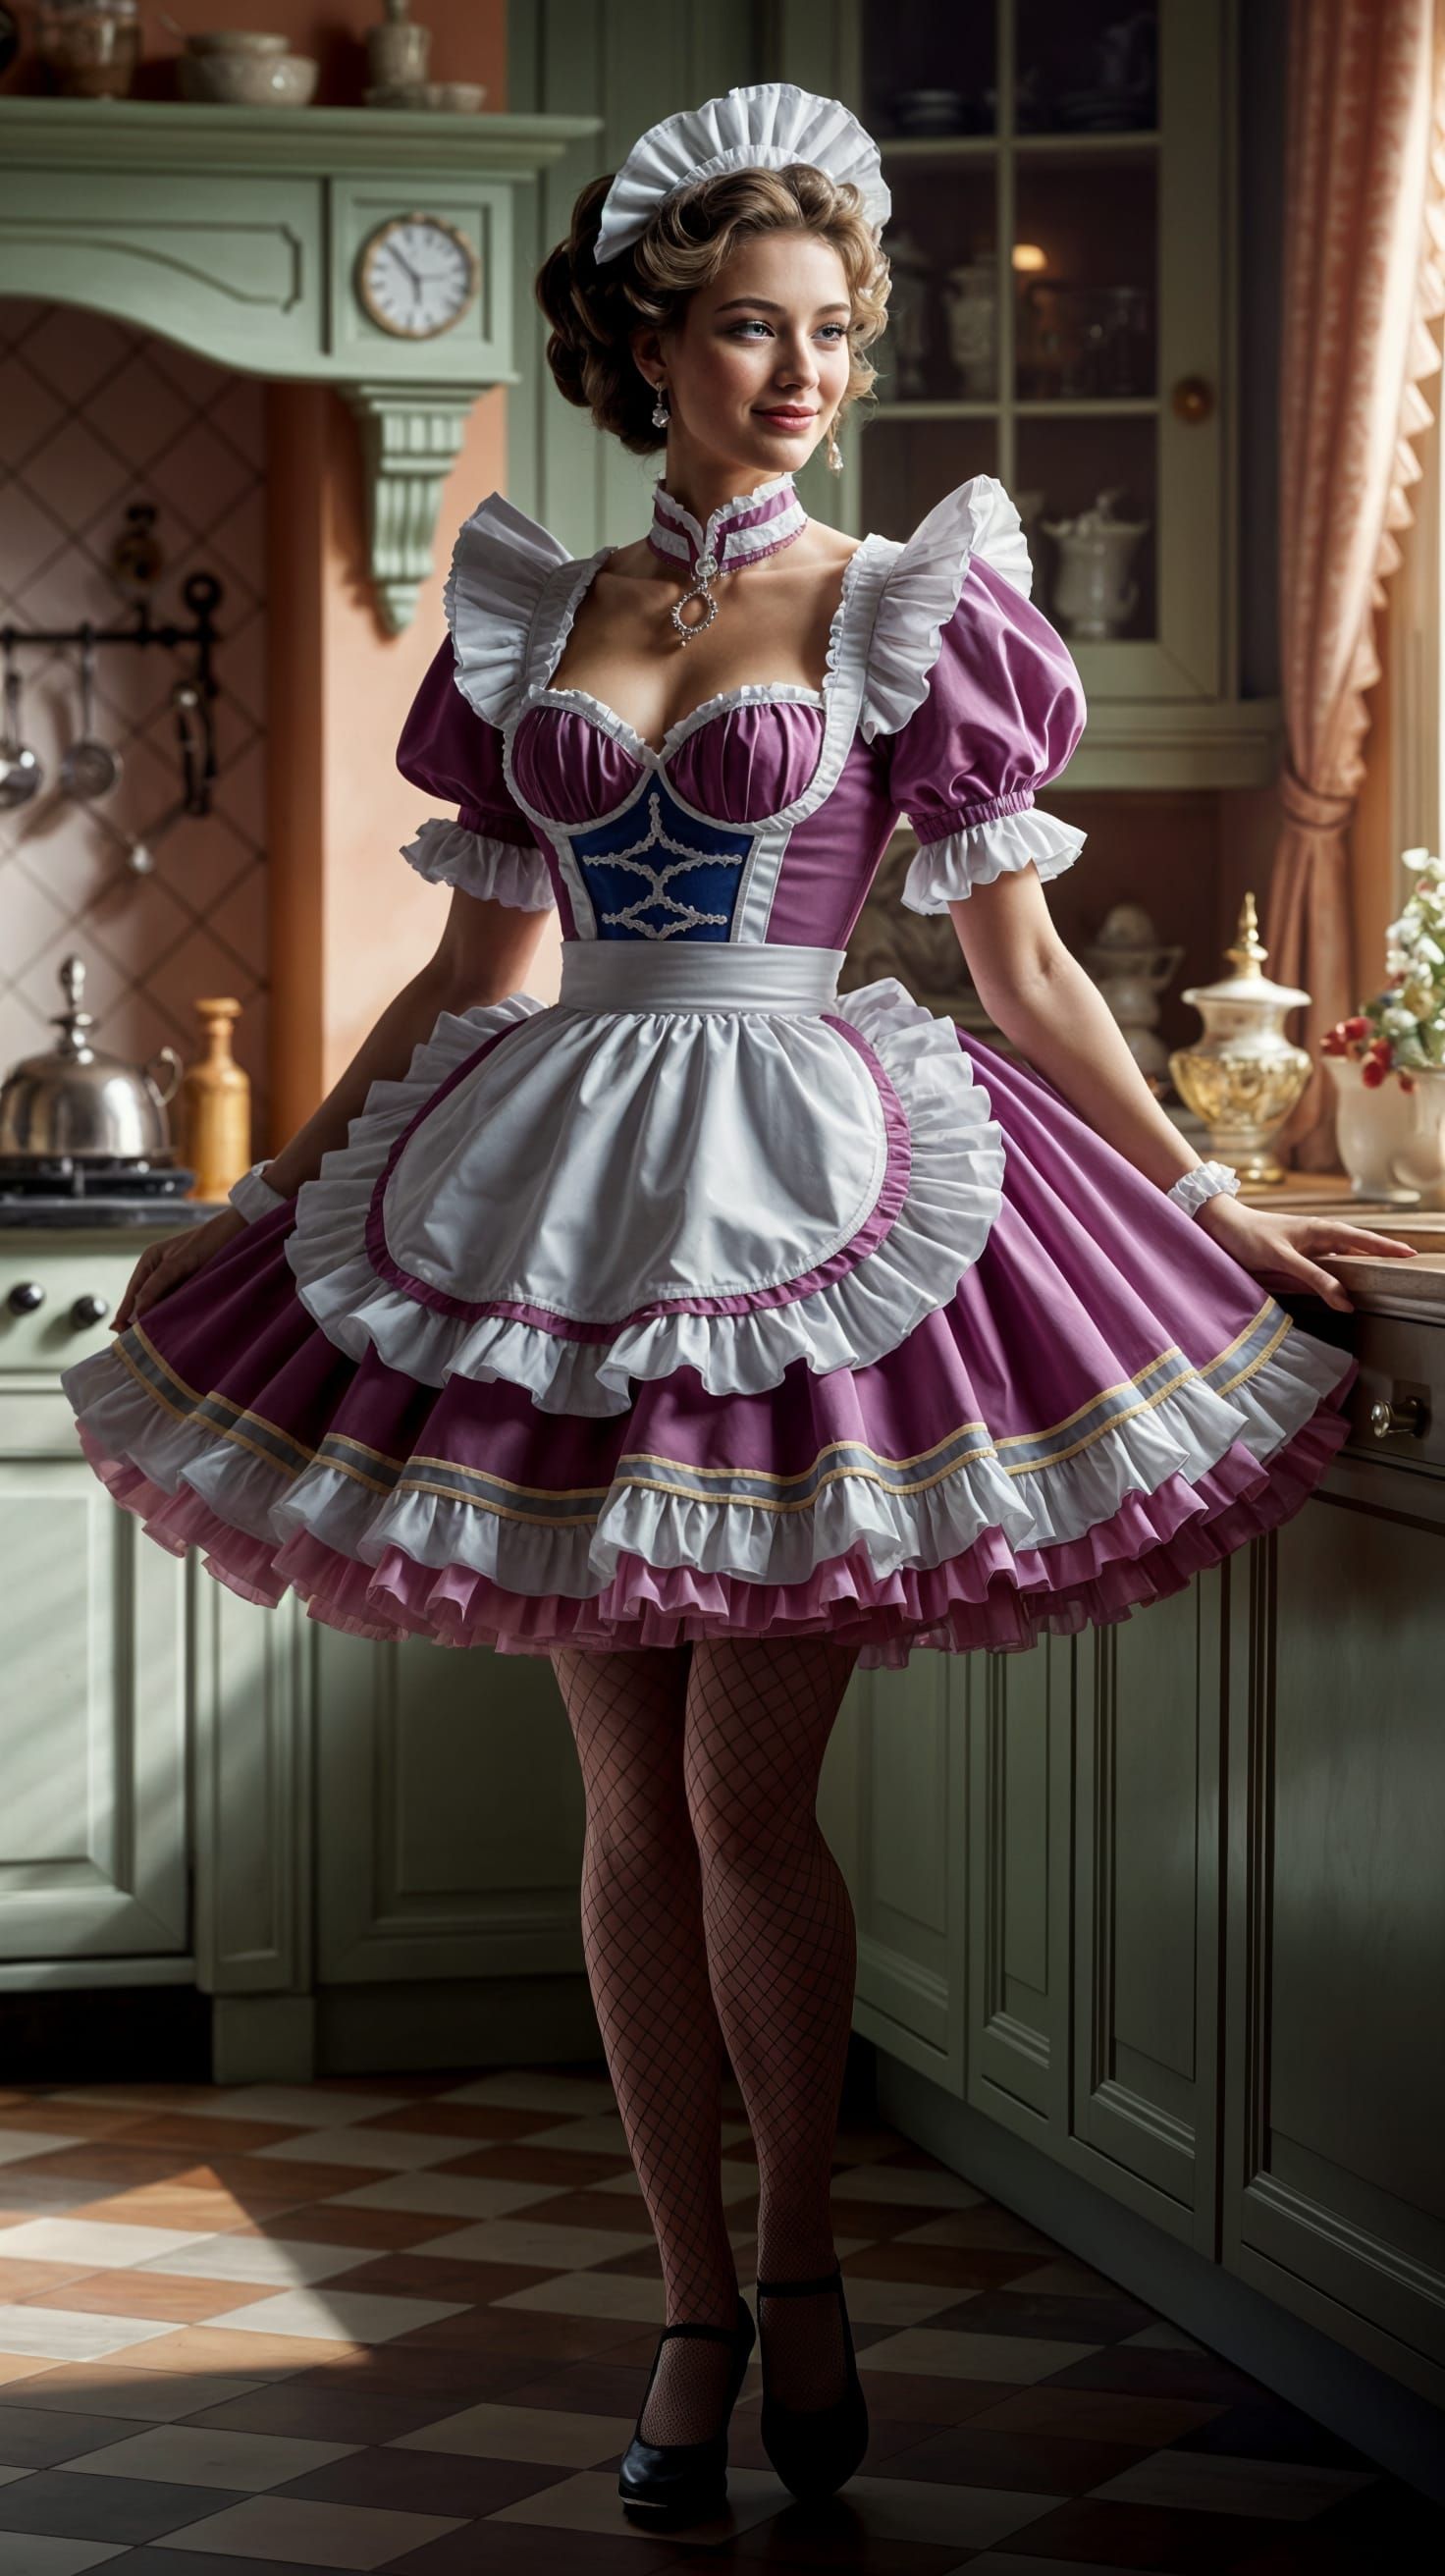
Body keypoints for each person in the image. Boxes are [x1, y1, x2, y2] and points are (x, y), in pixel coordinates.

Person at [60, 78, 1417, 2535]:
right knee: (618, 1810)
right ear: (650, 345)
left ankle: (801, 2259)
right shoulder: (535, 608)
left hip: (811, 1182)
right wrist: (248, 1197)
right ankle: (688, 2293)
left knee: (736, 1798)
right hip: (559, 1193)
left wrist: (1208, 1208)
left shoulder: (911, 599)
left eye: (827, 336)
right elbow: (465, 970)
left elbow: (1018, 977)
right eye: (745, 330)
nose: (795, 375)